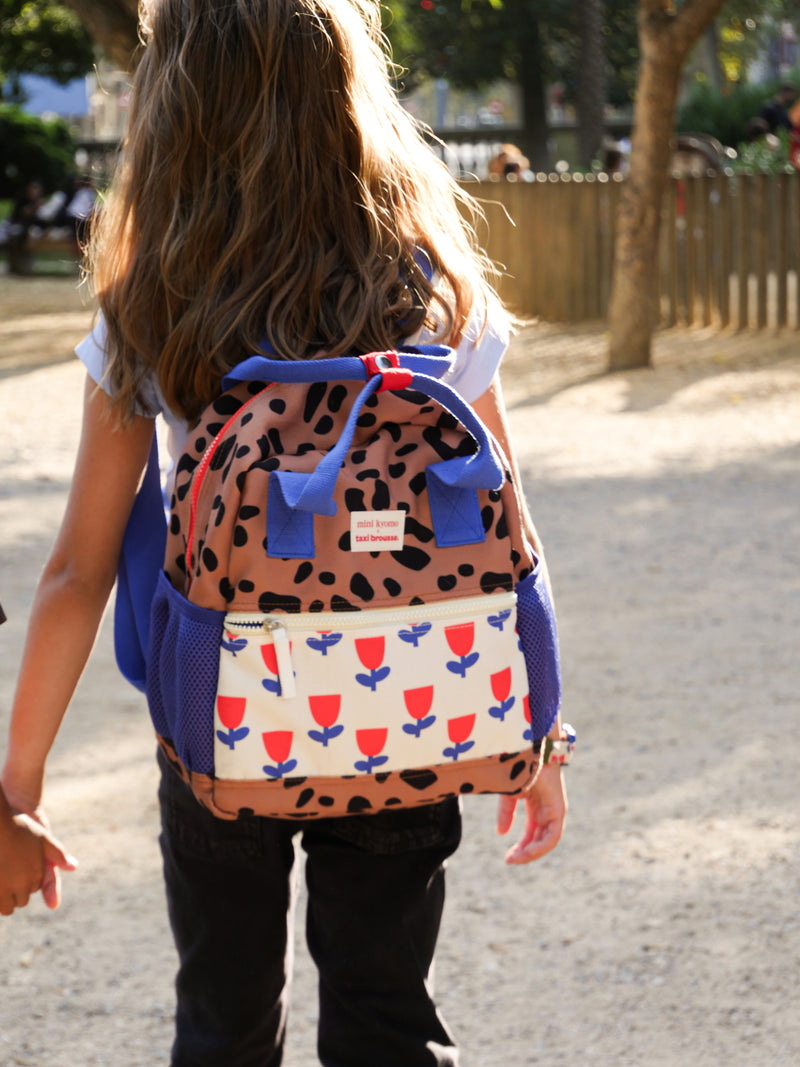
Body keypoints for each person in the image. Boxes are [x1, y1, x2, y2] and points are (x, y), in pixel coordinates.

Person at [0, 0, 568, 1063]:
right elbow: (508, 533)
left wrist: (16, 787)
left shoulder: (155, 304)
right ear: (352, 97)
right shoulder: (431, 288)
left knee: (222, 1024)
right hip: (411, 700)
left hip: (221, 718)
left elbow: (79, 569)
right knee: (387, 1016)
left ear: (174, 110)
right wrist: (537, 724)